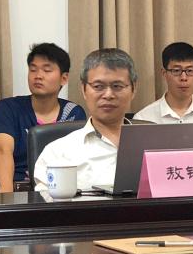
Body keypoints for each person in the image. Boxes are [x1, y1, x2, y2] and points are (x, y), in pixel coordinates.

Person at [32, 48, 136, 191]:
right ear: (84, 90)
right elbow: (46, 204)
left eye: (117, 86)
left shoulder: (156, 146)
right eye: (98, 86)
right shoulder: (57, 153)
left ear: (133, 89)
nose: (108, 95)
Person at [0, 43, 87, 192]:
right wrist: (7, 194)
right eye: (33, 69)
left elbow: (77, 161)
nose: (38, 76)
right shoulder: (9, 108)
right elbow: (3, 151)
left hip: (58, 191)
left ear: (64, 78)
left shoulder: (73, 113)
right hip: (17, 189)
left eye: (47, 70)